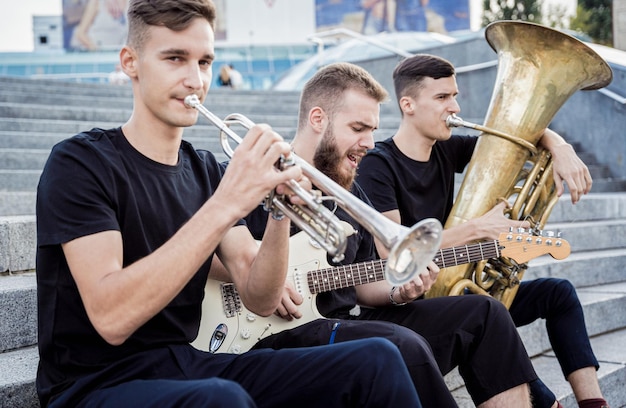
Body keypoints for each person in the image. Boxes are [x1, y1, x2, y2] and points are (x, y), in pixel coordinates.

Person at [34, 1, 424, 407]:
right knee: (222, 399)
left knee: (376, 360)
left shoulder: (203, 170)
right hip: (93, 384)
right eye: (174, 58)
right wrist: (226, 203)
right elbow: (111, 318)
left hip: (184, 362)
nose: (194, 79)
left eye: (204, 62)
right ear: (130, 63)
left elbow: (260, 295)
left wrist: (278, 210)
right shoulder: (80, 163)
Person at [231, 61, 541, 407]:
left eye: (373, 129)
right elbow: (223, 253)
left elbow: (364, 282)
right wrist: (261, 274)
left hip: (344, 317)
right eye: (358, 128)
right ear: (317, 119)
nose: (369, 142)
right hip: (278, 329)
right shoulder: (253, 175)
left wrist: (400, 291)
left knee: (487, 314)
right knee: (402, 344)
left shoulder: (351, 192)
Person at [355, 53, 610, 408]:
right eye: (442, 98)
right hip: (406, 304)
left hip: (452, 289)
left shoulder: (447, 148)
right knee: (489, 316)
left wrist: (561, 147)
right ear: (408, 104)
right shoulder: (377, 164)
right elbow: (393, 251)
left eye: (455, 96)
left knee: (559, 293)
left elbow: (519, 139)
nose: (455, 107)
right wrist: (477, 229)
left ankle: (594, 403)